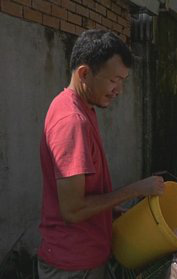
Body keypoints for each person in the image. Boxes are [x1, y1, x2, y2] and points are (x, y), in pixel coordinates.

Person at [38, 30, 165, 278]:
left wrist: (115, 214)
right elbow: (73, 210)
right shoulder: (72, 121)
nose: (119, 90)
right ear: (85, 73)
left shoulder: (81, 108)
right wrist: (137, 189)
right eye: (114, 80)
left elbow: (86, 193)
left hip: (85, 254)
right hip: (73, 264)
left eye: (123, 81)